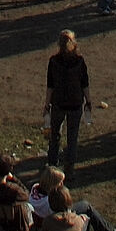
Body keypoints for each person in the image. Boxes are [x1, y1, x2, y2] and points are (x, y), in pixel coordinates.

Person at [45, 29, 91, 172]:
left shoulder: (53, 61)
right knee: (72, 136)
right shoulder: (79, 61)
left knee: (55, 134)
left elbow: (50, 85)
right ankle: (69, 167)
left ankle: (52, 163)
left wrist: (47, 104)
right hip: (75, 103)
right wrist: (89, 101)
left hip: (58, 102)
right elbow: (85, 84)